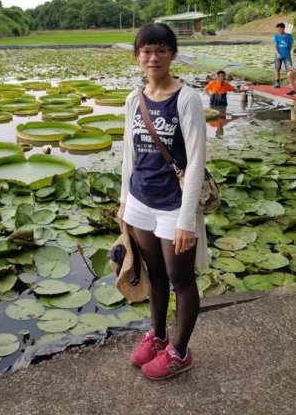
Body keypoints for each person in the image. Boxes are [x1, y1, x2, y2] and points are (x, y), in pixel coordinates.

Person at [118, 22, 208, 380]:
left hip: (174, 204)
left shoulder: (186, 98)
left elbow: (197, 161)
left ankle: (180, 351)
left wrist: (187, 220)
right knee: (154, 273)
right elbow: (129, 154)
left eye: (160, 50)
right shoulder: (133, 99)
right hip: (141, 200)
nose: (152, 57)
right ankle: (156, 335)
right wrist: (124, 201)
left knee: (179, 278)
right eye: (146, 50)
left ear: (172, 54)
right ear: (137, 55)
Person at [273, 23, 296, 95]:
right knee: (277, 68)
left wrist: (288, 52)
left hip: (287, 55)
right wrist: (277, 53)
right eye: (277, 30)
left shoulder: (289, 36)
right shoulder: (276, 36)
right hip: (278, 55)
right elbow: (275, 45)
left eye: (279, 29)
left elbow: (290, 45)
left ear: (283, 28)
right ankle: (277, 82)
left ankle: (290, 83)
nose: (278, 31)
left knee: (289, 68)